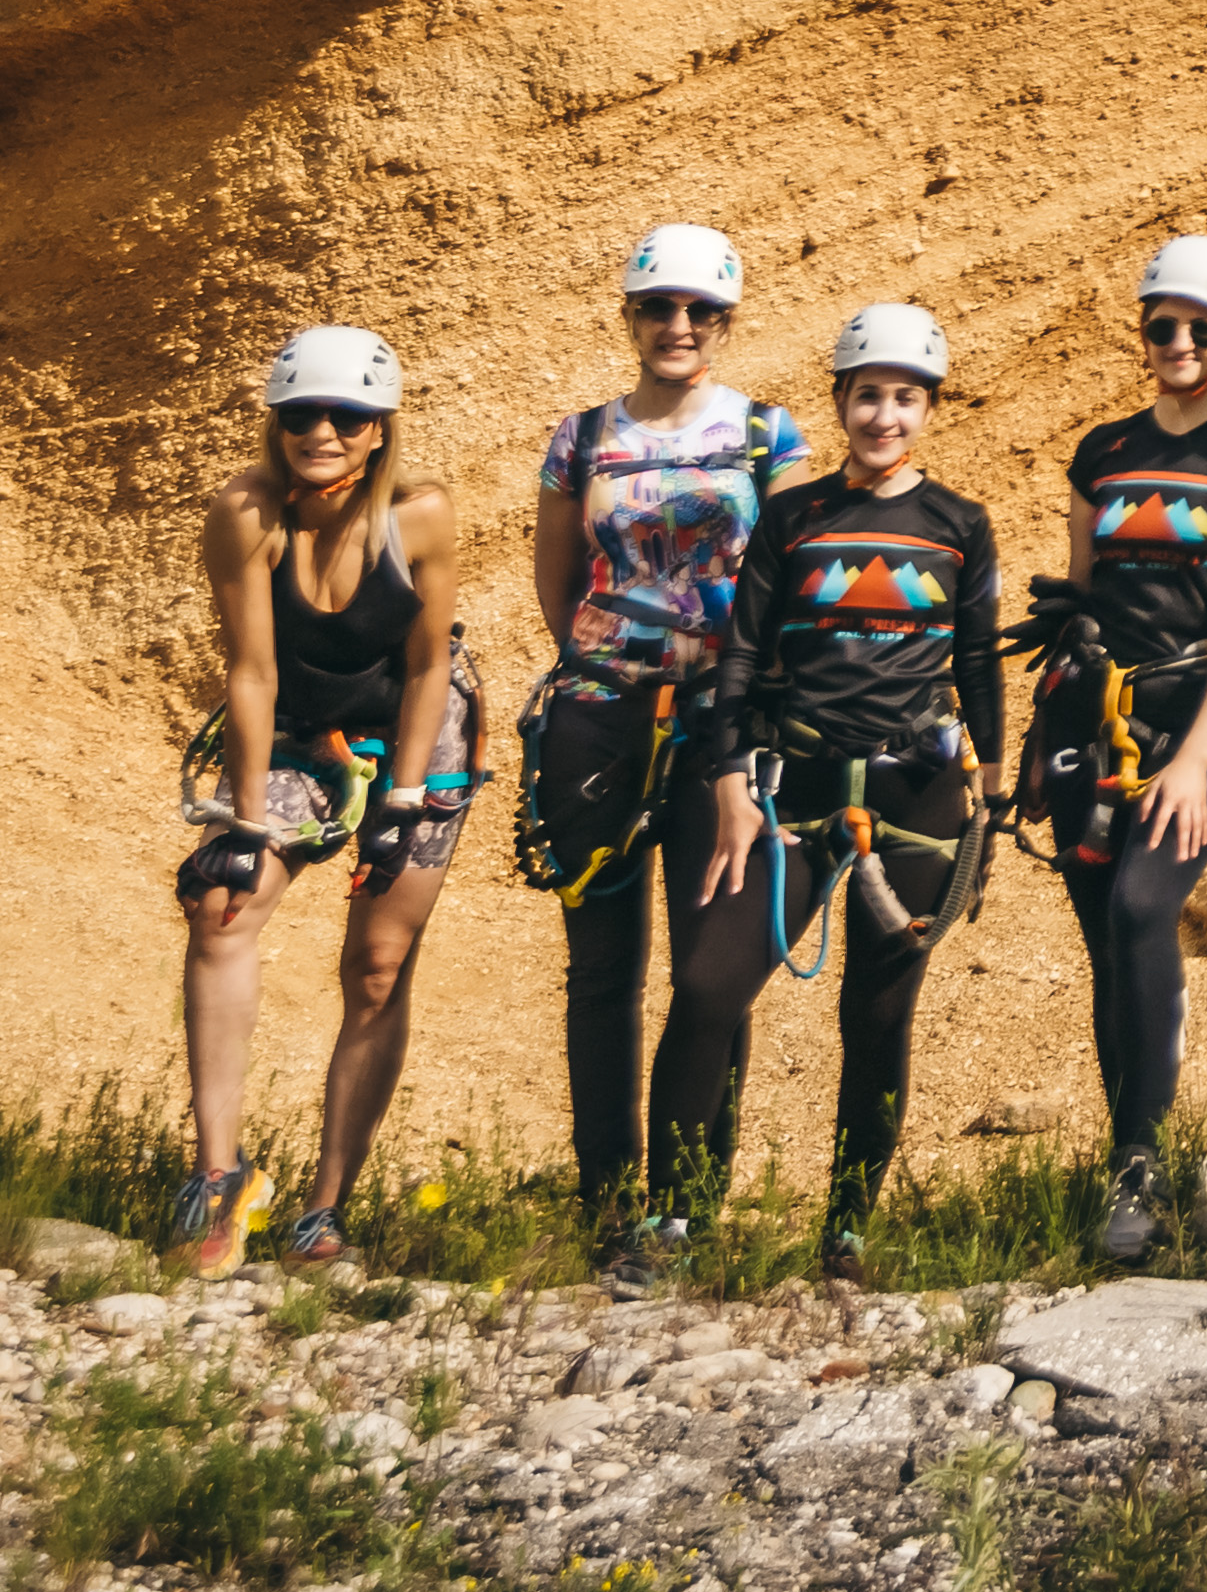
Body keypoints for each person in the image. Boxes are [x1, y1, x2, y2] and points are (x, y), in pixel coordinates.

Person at [656, 303, 1008, 1281]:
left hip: (921, 790)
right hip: (795, 784)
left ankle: (845, 1231)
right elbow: (741, 653)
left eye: (903, 396)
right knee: (706, 985)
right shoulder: (794, 516)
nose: (883, 414)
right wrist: (728, 773)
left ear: (927, 406)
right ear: (841, 400)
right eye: (867, 394)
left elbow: (977, 663)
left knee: (879, 1012)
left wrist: (994, 782)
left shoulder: (958, 526)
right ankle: (671, 1218)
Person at [521, 224, 811, 1259]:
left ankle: (686, 1203)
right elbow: (556, 580)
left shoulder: (770, 435)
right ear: (631, 315)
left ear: (724, 321)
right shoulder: (581, 435)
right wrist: (601, 665)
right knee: (602, 969)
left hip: (722, 724)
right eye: (658, 306)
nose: (677, 325)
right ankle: (606, 1207)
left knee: (711, 969)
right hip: (600, 711)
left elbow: (787, 580)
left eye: (698, 310)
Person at [168, 324, 476, 1276]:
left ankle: (326, 1205)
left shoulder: (420, 514)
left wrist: (406, 795)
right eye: (303, 413)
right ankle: (218, 1177)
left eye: (348, 415)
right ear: (278, 422)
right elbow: (250, 672)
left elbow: (428, 663)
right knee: (220, 903)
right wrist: (247, 820)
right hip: (301, 729)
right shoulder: (245, 513)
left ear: (381, 428)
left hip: (421, 727)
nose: (325, 430)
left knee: (378, 965)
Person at [1048, 235, 1207, 1260]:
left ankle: (1141, 1165)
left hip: (1195, 719)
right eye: (1164, 324)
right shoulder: (1100, 451)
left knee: (1149, 905)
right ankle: (1130, 1171)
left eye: (1204, 327)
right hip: (1093, 715)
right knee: (1110, 933)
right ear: (1143, 330)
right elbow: (1079, 592)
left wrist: (1194, 758)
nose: (1181, 342)